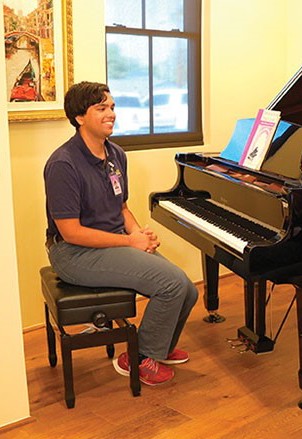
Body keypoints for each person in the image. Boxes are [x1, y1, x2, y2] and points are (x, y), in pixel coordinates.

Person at [44, 81, 198, 386]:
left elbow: (121, 208)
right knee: (171, 285)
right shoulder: (63, 164)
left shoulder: (115, 154)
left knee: (188, 290)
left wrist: (140, 234)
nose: (111, 113)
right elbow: (71, 232)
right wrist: (130, 241)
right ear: (79, 117)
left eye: (112, 107)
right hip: (73, 253)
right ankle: (137, 359)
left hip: (114, 243)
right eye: (101, 108)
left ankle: (158, 348)